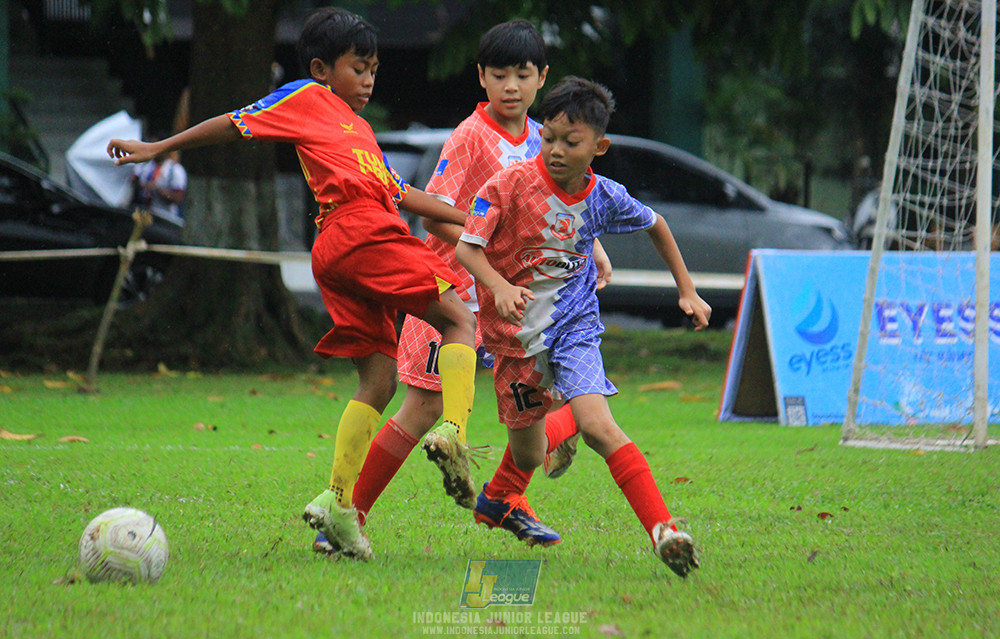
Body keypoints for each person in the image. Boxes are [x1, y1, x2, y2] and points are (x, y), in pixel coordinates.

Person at [106, 7, 480, 561]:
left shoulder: (361, 131)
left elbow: (403, 193)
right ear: (321, 69)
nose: (369, 79)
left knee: (378, 379)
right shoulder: (307, 95)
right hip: (360, 230)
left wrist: (475, 220)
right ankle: (454, 432)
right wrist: (160, 148)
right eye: (359, 67)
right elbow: (233, 121)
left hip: (338, 248)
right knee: (459, 319)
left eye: (375, 69)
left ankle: (339, 504)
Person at [312, 18, 612, 555]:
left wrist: (592, 247)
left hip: (516, 303)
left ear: (542, 78)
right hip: (453, 291)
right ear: (481, 77)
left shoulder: (544, 141)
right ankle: (344, 520)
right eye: (499, 75)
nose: (511, 87)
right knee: (422, 410)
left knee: (539, 400)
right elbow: (434, 215)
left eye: (522, 75)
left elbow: (562, 207)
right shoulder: (470, 136)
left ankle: (510, 494)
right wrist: (490, 259)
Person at [455, 76, 712, 577]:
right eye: (548, 137)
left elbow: (656, 224)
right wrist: (499, 287)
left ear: (599, 146)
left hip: (574, 327)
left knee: (600, 427)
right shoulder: (508, 185)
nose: (555, 150)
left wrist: (687, 290)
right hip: (515, 339)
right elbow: (467, 248)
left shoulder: (605, 197)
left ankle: (663, 530)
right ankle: (503, 493)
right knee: (529, 453)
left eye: (570, 142)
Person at [130, 142, 187, 221]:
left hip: (164, 217)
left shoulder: (175, 170)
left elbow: (177, 198)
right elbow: (133, 181)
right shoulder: (144, 165)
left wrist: (157, 190)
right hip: (141, 212)